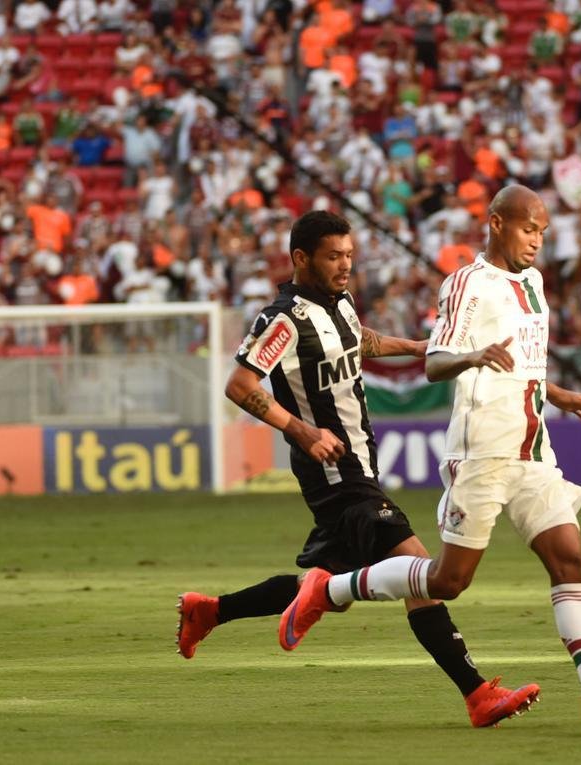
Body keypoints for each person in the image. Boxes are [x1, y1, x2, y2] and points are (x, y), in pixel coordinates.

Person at [278, 186, 581, 736]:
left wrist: (556, 394)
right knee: (448, 579)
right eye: (528, 229)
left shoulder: (533, 285)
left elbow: (521, 364)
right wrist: (471, 355)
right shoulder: (467, 284)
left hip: (533, 452)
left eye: (543, 232)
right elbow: (437, 362)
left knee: (571, 563)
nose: (537, 241)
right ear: (496, 224)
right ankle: (328, 590)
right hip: (482, 451)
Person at [175, 211, 539, 729]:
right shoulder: (286, 319)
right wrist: (301, 430)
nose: (346, 266)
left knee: (332, 587)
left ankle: (209, 611)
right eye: (333, 257)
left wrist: (414, 348)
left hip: (358, 467)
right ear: (301, 259)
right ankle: (478, 694)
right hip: (334, 472)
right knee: (420, 572)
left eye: (349, 255)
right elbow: (240, 386)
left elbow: (357, 339)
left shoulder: (337, 302)